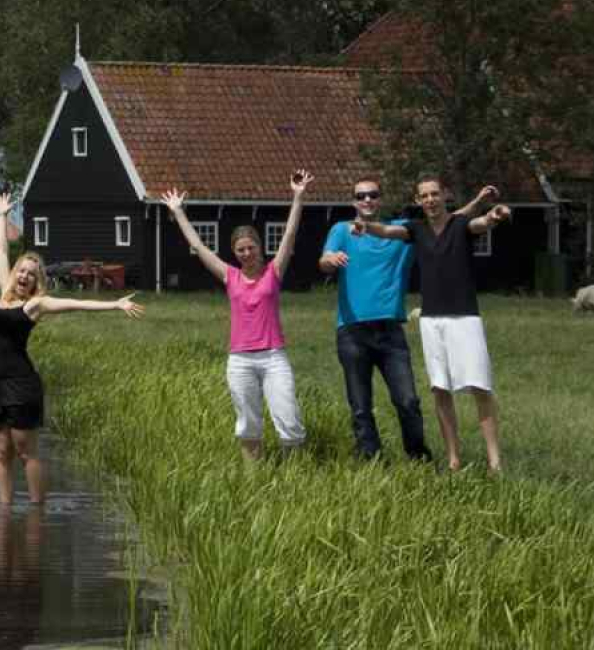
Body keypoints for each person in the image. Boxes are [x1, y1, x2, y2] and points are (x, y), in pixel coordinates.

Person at [0, 192, 145, 505]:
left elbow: (76, 304)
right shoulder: (3, 290)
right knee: (1, 450)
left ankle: (36, 509)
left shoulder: (36, 304)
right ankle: (4, 511)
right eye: (22, 270)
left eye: (31, 275)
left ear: (36, 282)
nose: (23, 276)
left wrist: (115, 304)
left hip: (22, 384)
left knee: (24, 450)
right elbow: (2, 251)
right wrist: (3, 216)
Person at [352, 177, 512, 473]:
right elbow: (387, 230)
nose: (430, 200)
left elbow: (482, 223)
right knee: (440, 389)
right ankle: (453, 459)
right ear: (418, 200)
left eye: (435, 194)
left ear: (445, 195)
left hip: (465, 318)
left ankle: (495, 461)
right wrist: (365, 226)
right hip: (431, 321)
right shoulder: (416, 229)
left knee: (480, 387)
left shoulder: (461, 225)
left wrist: (495, 214)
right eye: (424, 196)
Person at [160, 172, 312, 460]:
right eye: (240, 250)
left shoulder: (273, 272)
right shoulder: (230, 276)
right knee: (248, 425)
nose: (246, 253)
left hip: (273, 357)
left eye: (251, 248)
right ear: (235, 252)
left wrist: (298, 195)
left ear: (259, 247)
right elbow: (199, 246)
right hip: (240, 359)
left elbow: (290, 234)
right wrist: (178, 211)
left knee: (289, 420)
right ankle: (252, 478)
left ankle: (296, 477)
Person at [318, 177, 431, 461]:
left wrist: (484, 208)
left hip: (391, 331)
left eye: (372, 195)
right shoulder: (342, 230)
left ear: (380, 199)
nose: (367, 200)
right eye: (361, 196)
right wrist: (330, 261)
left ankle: (418, 457)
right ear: (353, 201)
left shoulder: (402, 232)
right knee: (360, 405)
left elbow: (446, 220)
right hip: (352, 331)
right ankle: (371, 459)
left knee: (408, 400)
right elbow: (324, 260)